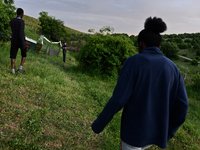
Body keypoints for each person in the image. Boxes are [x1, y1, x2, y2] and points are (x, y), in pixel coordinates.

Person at [91, 17, 188, 150]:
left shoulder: (133, 63)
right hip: (156, 135)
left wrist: (98, 125)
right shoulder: (173, 68)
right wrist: (168, 132)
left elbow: (118, 100)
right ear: (159, 46)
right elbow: (183, 105)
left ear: (141, 44)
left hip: (133, 135)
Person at [10, 8, 26, 74]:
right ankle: (20, 68)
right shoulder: (22, 22)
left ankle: (12, 70)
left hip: (14, 40)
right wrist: (23, 44)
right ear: (22, 14)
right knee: (24, 55)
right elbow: (21, 33)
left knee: (13, 55)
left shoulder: (12, 21)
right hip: (20, 41)